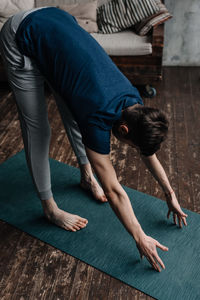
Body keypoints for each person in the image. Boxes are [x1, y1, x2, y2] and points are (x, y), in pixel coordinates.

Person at [0, 6, 188, 273]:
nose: (135, 150)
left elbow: (148, 151)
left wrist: (169, 194)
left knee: (75, 110)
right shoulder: (99, 119)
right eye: (132, 146)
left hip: (56, 25)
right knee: (38, 129)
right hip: (21, 33)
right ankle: (50, 208)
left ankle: (86, 175)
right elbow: (113, 191)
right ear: (123, 131)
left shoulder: (134, 104)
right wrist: (139, 236)